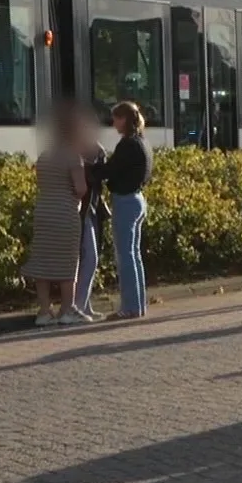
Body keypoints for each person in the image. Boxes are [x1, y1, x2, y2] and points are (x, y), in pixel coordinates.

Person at [21, 104, 88, 326]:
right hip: (65, 213)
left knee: (43, 261)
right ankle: (67, 310)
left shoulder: (44, 156)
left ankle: (44, 311)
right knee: (67, 263)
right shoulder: (73, 157)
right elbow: (80, 188)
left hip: (43, 212)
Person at [106, 101, 153, 320]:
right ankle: (138, 305)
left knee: (125, 257)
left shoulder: (127, 144)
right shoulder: (142, 142)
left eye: (115, 119)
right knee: (134, 256)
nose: (113, 123)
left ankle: (129, 308)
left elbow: (110, 170)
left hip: (124, 200)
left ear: (123, 119)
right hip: (138, 199)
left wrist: (90, 170)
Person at [68, 103, 107, 323]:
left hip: (91, 208)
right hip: (80, 209)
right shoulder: (73, 151)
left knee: (91, 256)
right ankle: (78, 304)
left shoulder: (95, 149)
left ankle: (85, 303)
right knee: (88, 256)